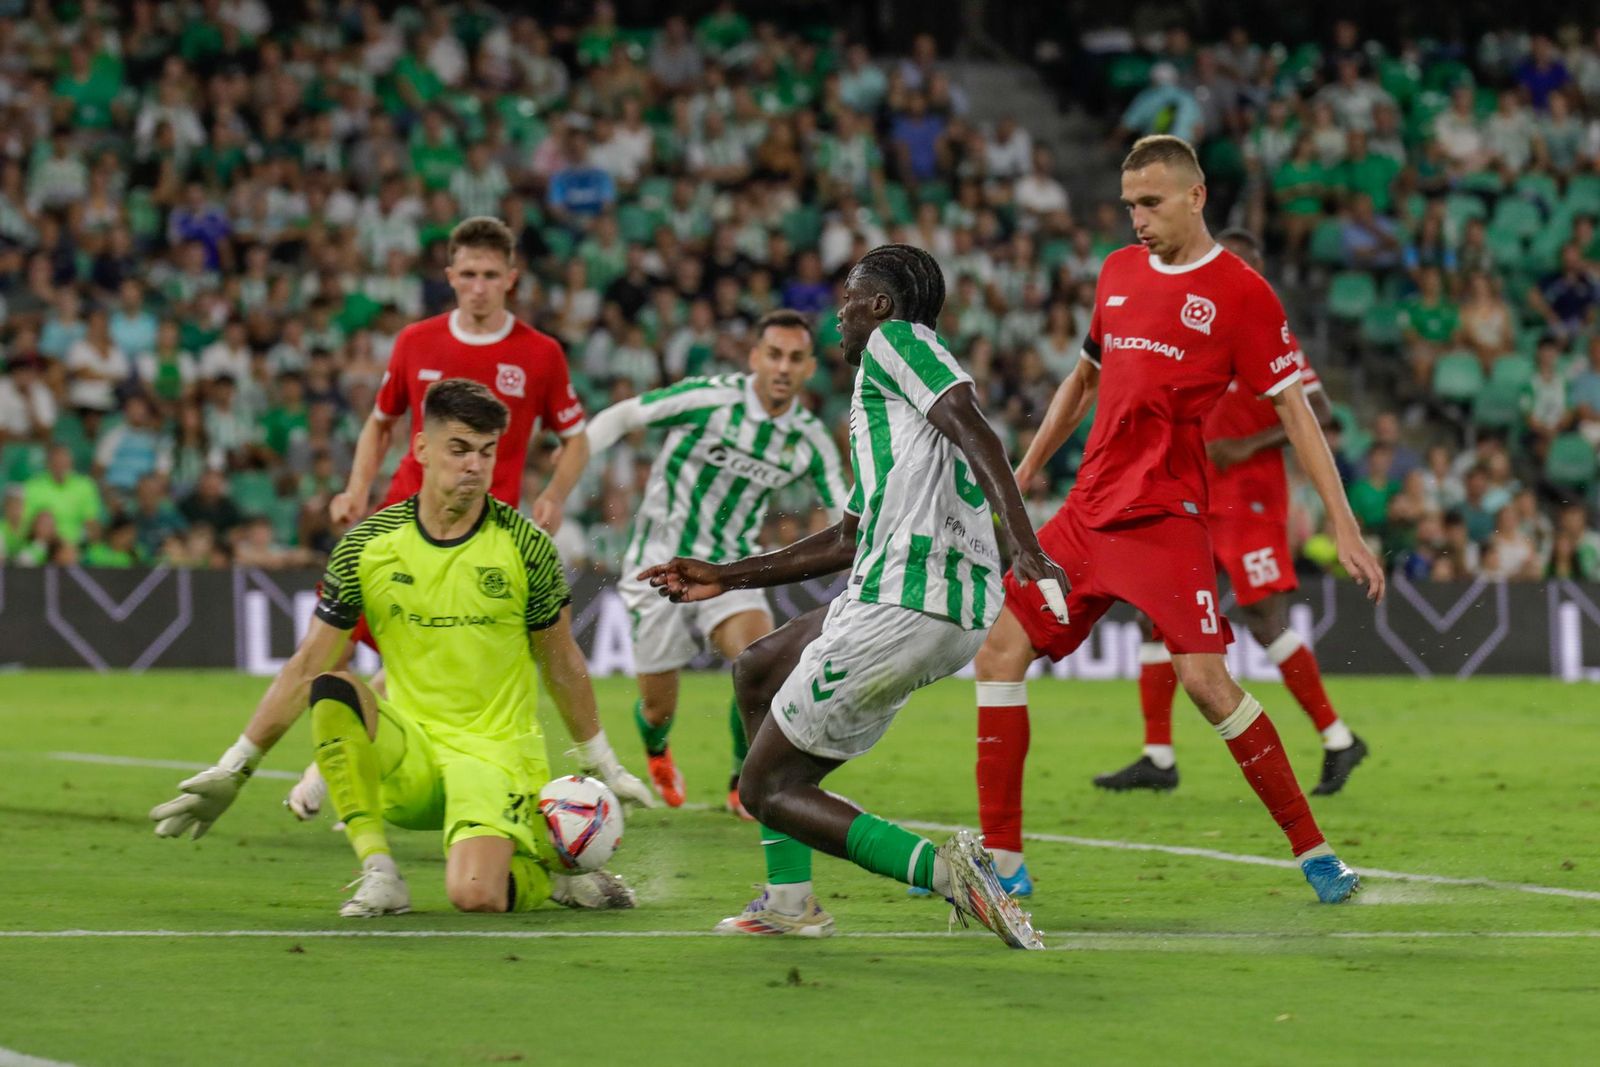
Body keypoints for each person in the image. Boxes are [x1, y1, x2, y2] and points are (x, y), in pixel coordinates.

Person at [970, 137, 1385, 907]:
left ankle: (1318, 854)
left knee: (1206, 681)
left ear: (1197, 197)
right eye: (1130, 204)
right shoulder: (1117, 272)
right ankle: (1002, 862)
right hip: (1089, 509)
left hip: (1167, 517)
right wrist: (1027, 468)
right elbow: (1084, 377)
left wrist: (1343, 522)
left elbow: (1296, 409)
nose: (1137, 219)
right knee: (998, 655)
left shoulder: (1243, 293)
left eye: (1151, 202)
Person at [642, 244, 1069, 949]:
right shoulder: (889, 405)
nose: (836, 312)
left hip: (908, 596)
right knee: (757, 666)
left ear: (879, 305)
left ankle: (946, 872)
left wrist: (1021, 540)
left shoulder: (898, 343)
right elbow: (848, 537)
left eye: (848, 296)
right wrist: (725, 573)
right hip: (920, 594)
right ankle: (789, 901)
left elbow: (975, 424)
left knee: (765, 790)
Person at [150, 379, 636, 918]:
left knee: (474, 896)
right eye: (459, 449)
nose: (475, 466)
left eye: (486, 452)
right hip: (412, 757)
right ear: (422, 450)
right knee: (333, 687)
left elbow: (561, 661)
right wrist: (236, 766)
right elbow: (307, 664)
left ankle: (554, 879)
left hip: (494, 759)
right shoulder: (368, 546)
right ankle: (380, 874)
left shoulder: (526, 547)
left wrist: (603, 762)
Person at [292, 215, 649, 811]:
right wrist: (356, 491)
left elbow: (576, 439)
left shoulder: (540, 354)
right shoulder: (416, 342)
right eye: (469, 274)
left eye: (491, 275)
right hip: (404, 523)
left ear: (511, 278)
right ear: (450, 276)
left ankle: (341, 770)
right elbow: (380, 423)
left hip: (486, 534)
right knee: (358, 651)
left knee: (427, 660)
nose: (479, 286)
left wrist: (556, 493)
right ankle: (325, 764)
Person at [1093, 228, 1368, 802]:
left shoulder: (1267, 329)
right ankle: (1157, 754)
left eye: (1242, 265)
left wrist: (1246, 446)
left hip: (1251, 498)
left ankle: (1338, 738)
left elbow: (1318, 410)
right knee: (1160, 616)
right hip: (1196, 494)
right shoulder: (1193, 325)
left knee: (1265, 617)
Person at [541, 309, 848, 815]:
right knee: (658, 707)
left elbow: (843, 505)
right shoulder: (710, 400)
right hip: (657, 567)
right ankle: (657, 749)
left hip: (730, 569)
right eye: (773, 355)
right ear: (754, 358)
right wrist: (578, 454)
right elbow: (624, 415)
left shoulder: (808, 438)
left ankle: (741, 780)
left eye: (795, 358)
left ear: (810, 367)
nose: (783, 367)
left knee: (759, 662)